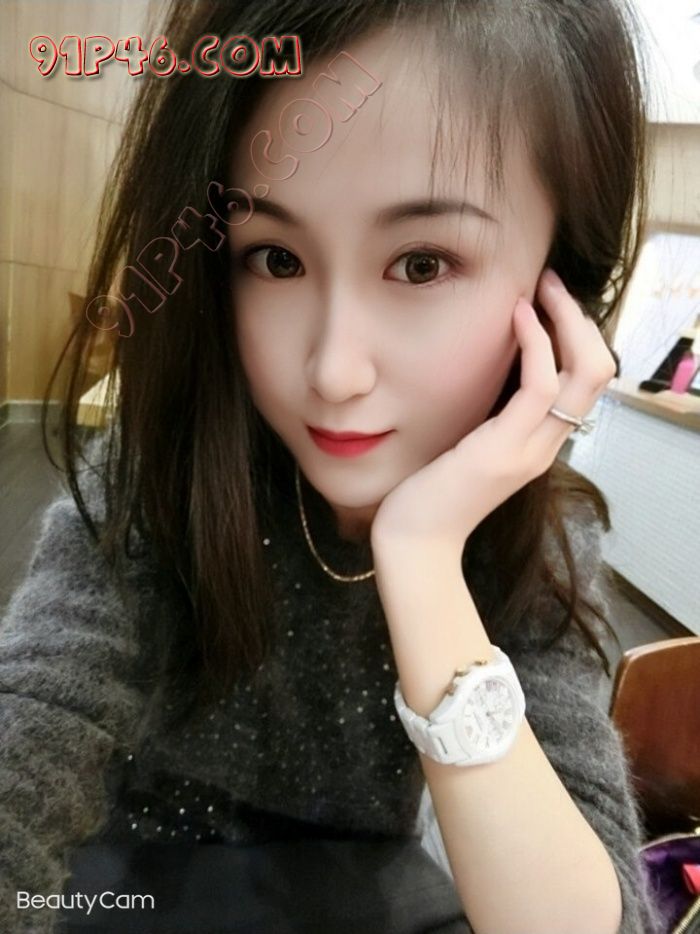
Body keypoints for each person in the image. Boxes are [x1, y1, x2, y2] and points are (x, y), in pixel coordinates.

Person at [0, 0, 666, 931]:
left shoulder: (533, 539)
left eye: (423, 263)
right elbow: (35, 722)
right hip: (129, 879)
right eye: (275, 258)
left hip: (361, 891)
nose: (333, 372)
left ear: (562, 287)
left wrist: (424, 555)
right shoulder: (157, 481)